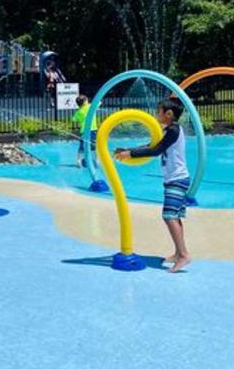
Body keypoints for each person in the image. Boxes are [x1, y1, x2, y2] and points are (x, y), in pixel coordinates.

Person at [115, 97, 191, 273]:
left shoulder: (173, 130)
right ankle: (179, 253)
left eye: (159, 111)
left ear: (169, 114)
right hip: (174, 179)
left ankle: (185, 255)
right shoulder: (167, 130)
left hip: (177, 179)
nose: (156, 114)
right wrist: (128, 151)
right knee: (175, 217)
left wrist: (131, 153)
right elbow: (151, 146)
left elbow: (156, 150)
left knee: (169, 216)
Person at [72, 94, 98, 167]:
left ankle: (78, 161)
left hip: (84, 131)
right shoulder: (90, 107)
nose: (88, 101)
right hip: (93, 129)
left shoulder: (78, 112)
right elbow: (99, 103)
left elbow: (74, 119)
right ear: (84, 102)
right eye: (86, 100)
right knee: (94, 146)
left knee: (82, 146)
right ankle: (96, 160)